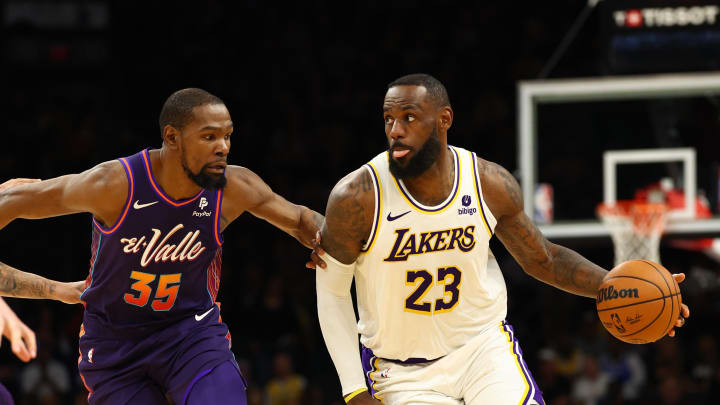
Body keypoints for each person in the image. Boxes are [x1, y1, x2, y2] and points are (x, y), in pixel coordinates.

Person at [314, 73, 690, 405]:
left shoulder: (488, 184)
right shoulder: (357, 196)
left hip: (482, 348)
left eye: (409, 117)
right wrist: (354, 390)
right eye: (389, 119)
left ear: (444, 120)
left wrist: (621, 289)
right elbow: (332, 292)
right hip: (402, 370)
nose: (395, 129)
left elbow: (543, 259)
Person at [0, 88, 324, 404]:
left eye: (227, 136)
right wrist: (54, 289)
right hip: (115, 342)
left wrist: (340, 240)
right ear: (172, 138)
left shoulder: (232, 186)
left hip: (190, 331)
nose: (223, 147)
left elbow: (300, 220)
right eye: (209, 137)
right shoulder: (114, 185)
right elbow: (13, 202)